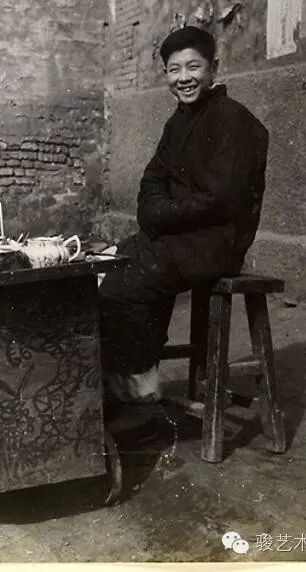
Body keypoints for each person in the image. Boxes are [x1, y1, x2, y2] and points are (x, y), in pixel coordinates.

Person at [99, 25, 269, 404]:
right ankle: (129, 381)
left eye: (194, 67)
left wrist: (160, 214)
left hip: (218, 242)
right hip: (180, 238)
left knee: (135, 279)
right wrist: (158, 213)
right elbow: (150, 184)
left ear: (214, 68)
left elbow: (219, 200)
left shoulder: (234, 120)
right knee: (112, 267)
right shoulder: (177, 123)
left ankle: (138, 390)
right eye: (174, 70)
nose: (184, 78)